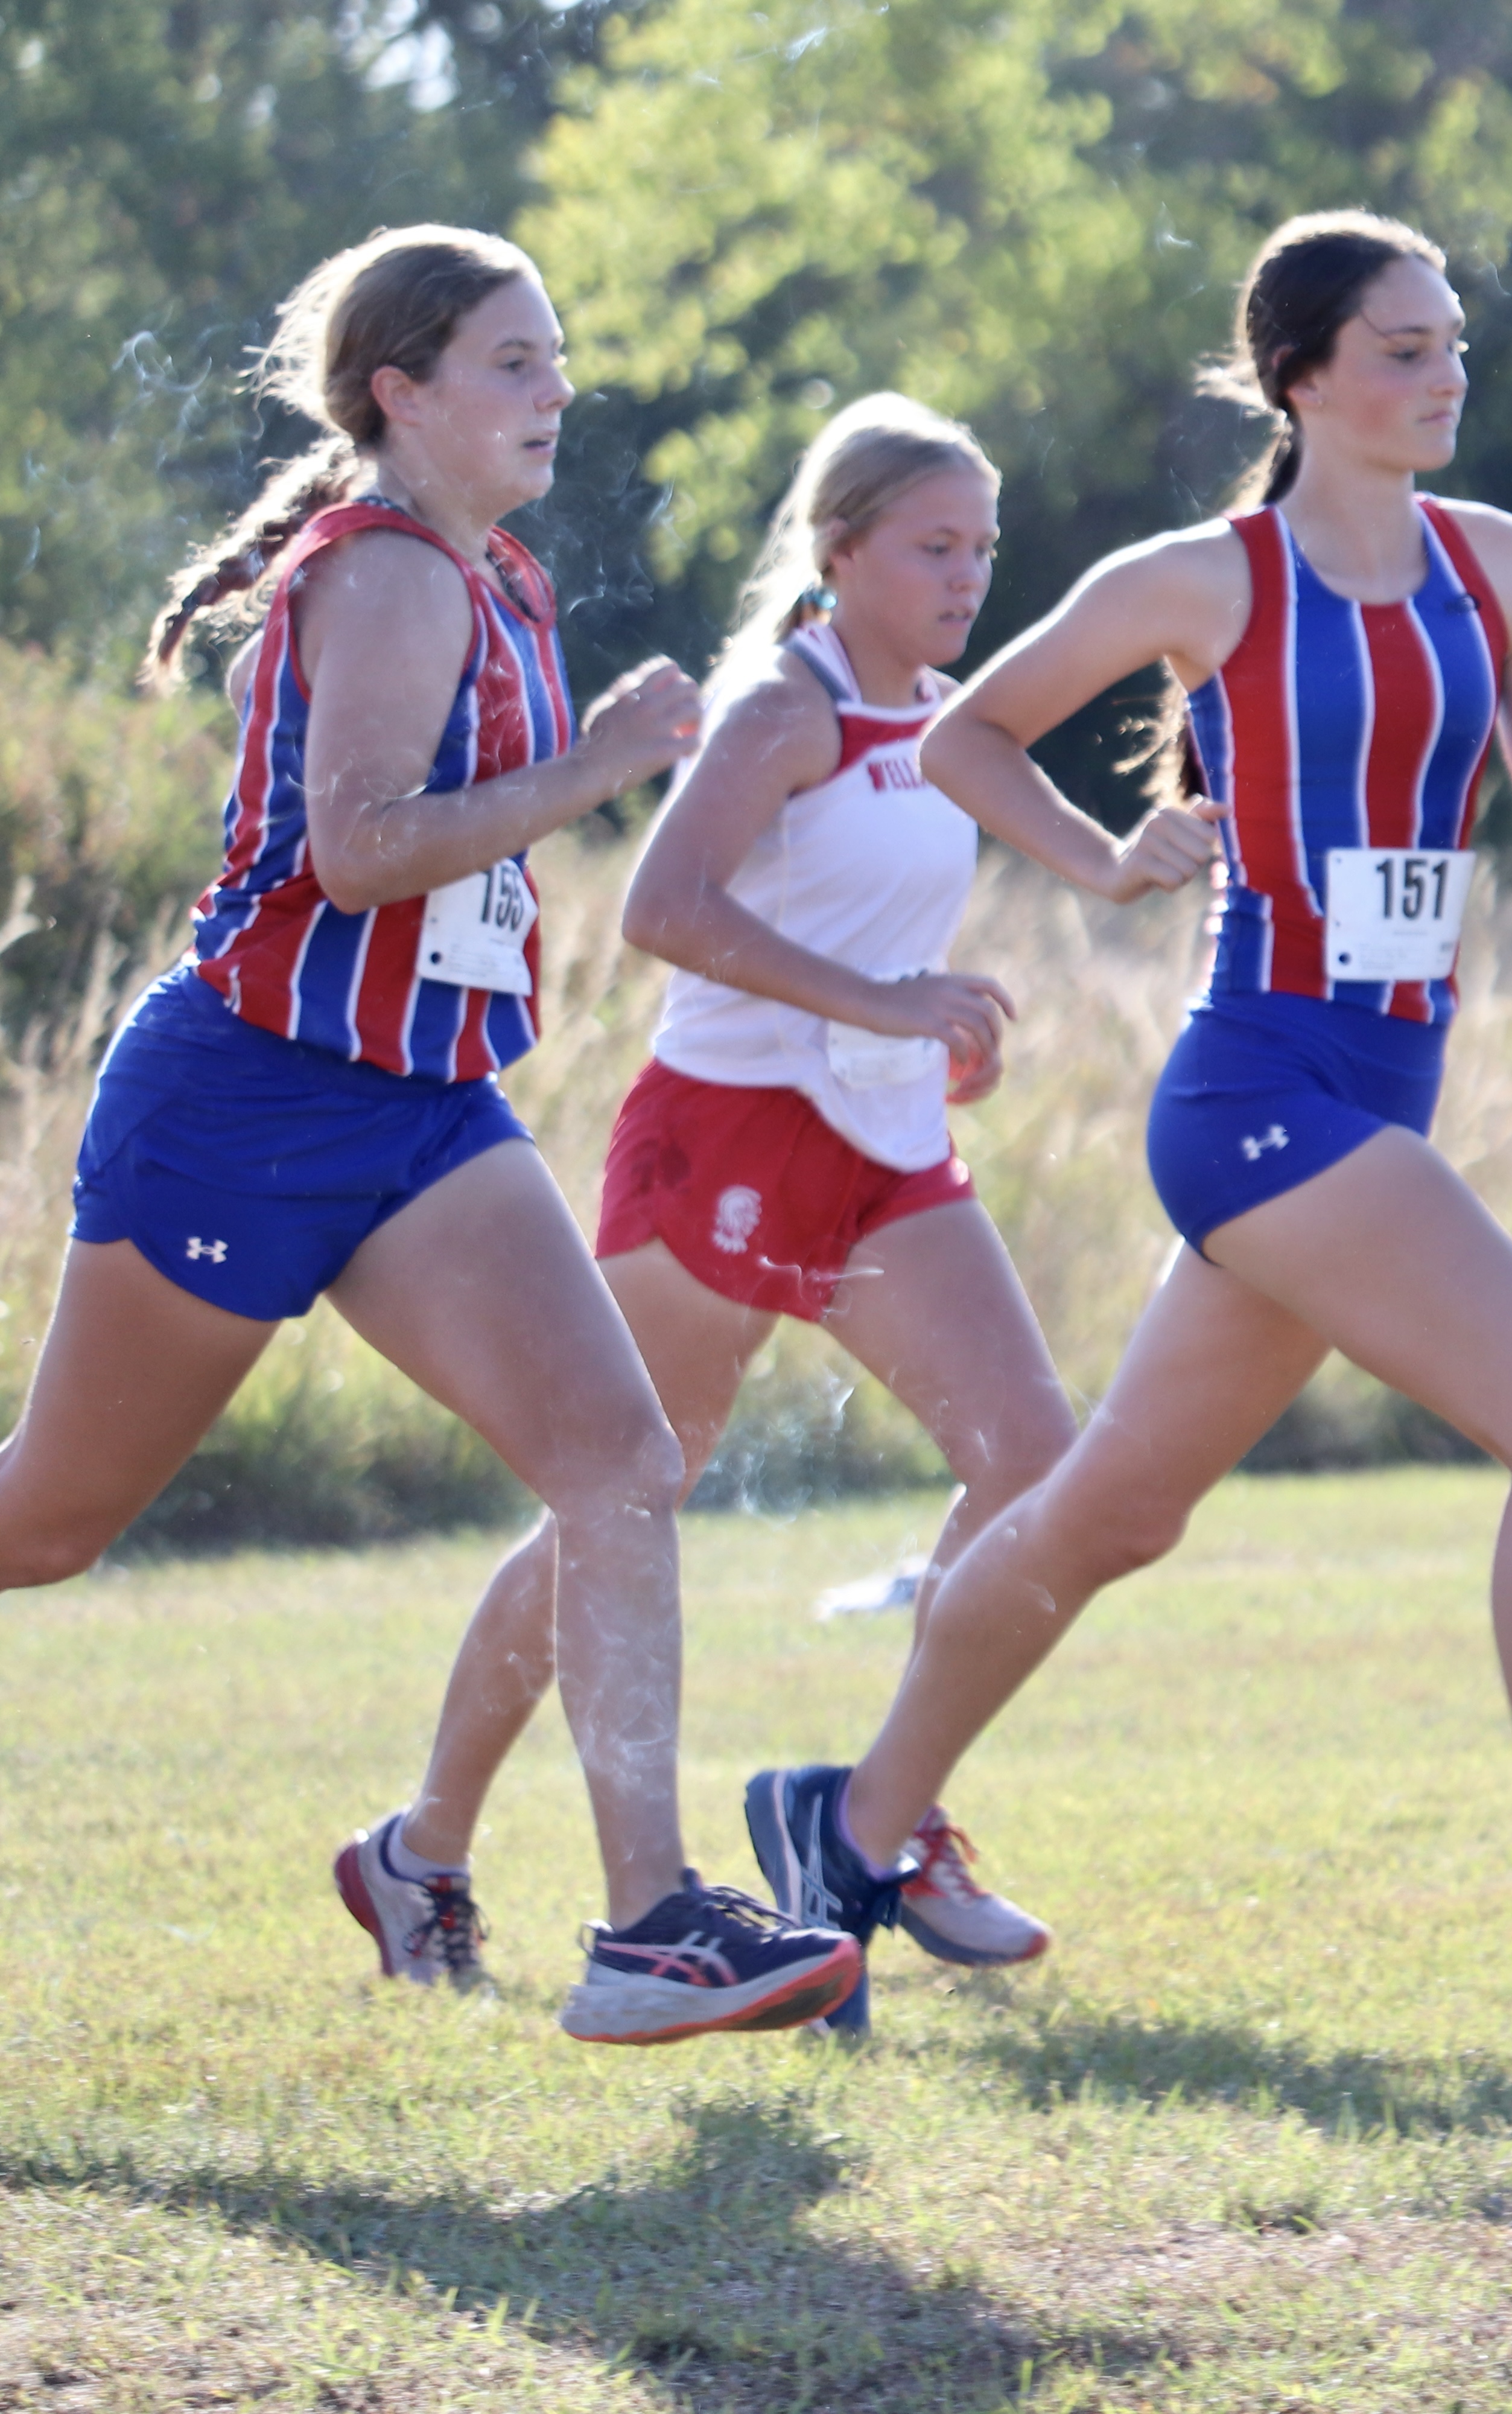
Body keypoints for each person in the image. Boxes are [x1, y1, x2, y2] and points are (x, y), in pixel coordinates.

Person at [737, 212, 1512, 2021]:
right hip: (1258, 1094)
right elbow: (972, 736)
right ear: (1300, 376)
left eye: (1455, 342)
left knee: (1109, 1514)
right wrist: (1110, 859)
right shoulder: (1203, 577)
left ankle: (847, 1822)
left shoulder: (1500, 563)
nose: (1445, 374)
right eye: (1402, 347)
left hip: (1380, 1090)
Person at [13, 223, 860, 2042]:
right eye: (512, 363)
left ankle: (650, 1925)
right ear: (400, 393)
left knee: (621, 1459)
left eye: (557, 357)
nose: (556, 391)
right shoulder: (388, 572)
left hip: (418, 1116)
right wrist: (609, 767)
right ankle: (572, 1903)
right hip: (247, 1102)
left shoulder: (505, 581)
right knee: (49, 1524)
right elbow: (363, 848)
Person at [338, 395, 1088, 2001]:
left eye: (986, 549)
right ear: (840, 552)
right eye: (934, 546)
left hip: (886, 1154)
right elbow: (666, 912)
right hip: (727, 1140)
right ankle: (422, 1850)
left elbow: (864, 937)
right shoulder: (780, 710)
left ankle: (873, 1819)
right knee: (622, 1491)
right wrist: (884, 1003)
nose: (968, 577)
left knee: (1034, 1465)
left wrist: (926, 1031)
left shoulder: (946, 718)